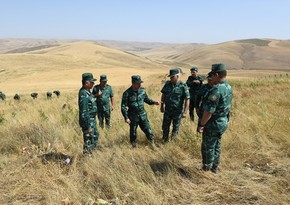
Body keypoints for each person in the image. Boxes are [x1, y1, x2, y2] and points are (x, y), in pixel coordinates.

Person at [197, 64, 232, 173]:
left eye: (212, 75)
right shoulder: (228, 87)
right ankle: (214, 168)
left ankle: (206, 170)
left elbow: (209, 112)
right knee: (216, 145)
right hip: (223, 121)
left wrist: (202, 125)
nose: (211, 78)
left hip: (213, 124)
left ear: (216, 74)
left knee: (208, 147)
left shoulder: (216, 90)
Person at [121, 75, 160, 148]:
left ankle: (152, 144)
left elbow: (147, 100)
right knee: (133, 133)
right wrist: (126, 117)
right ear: (133, 83)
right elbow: (123, 106)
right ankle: (133, 146)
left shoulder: (142, 91)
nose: (140, 84)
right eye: (138, 83)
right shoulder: (127, 93)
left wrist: (154, 102)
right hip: (133, 117)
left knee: (148, 131)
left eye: (140, 83)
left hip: (143, 116)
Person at [160, 68, 190, 143]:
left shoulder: (183, 86)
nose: (171, 78)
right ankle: (165, 140)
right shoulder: (167, 84)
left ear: (177, 76)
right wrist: (161, 106)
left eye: (172, 77)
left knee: (175, 127)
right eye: (170, 77)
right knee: (165, 126)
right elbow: (163, 94)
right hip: (167, 110)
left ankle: (173, 142)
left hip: (177, 111)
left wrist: (185, 112)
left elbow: (187, 99)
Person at [78, 73, 98, 155]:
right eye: (92, 82)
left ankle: (91, 156)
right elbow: (84, 111)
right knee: (88, 141)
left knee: (94, 138)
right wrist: (88, 126)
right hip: (88, 122)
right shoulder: (83, 93)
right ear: (87, 83)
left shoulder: (87, 92)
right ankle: (87, 158)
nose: (93, 84)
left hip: (92, 120)